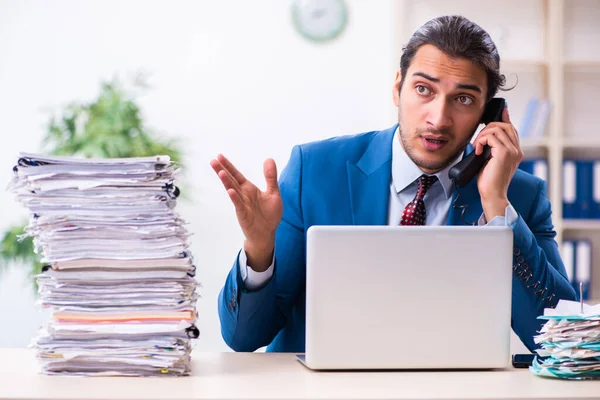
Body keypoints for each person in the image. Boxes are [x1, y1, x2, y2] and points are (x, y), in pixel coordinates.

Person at [210, 15, 577, 353]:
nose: (439, 118)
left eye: (463, 99)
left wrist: (496, 207)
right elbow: (244, 338)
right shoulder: (316, 171)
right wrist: (259, 250)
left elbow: (557, 342)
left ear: (487, 115)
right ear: (397, 89)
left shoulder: (520, 197)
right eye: (423, 90)